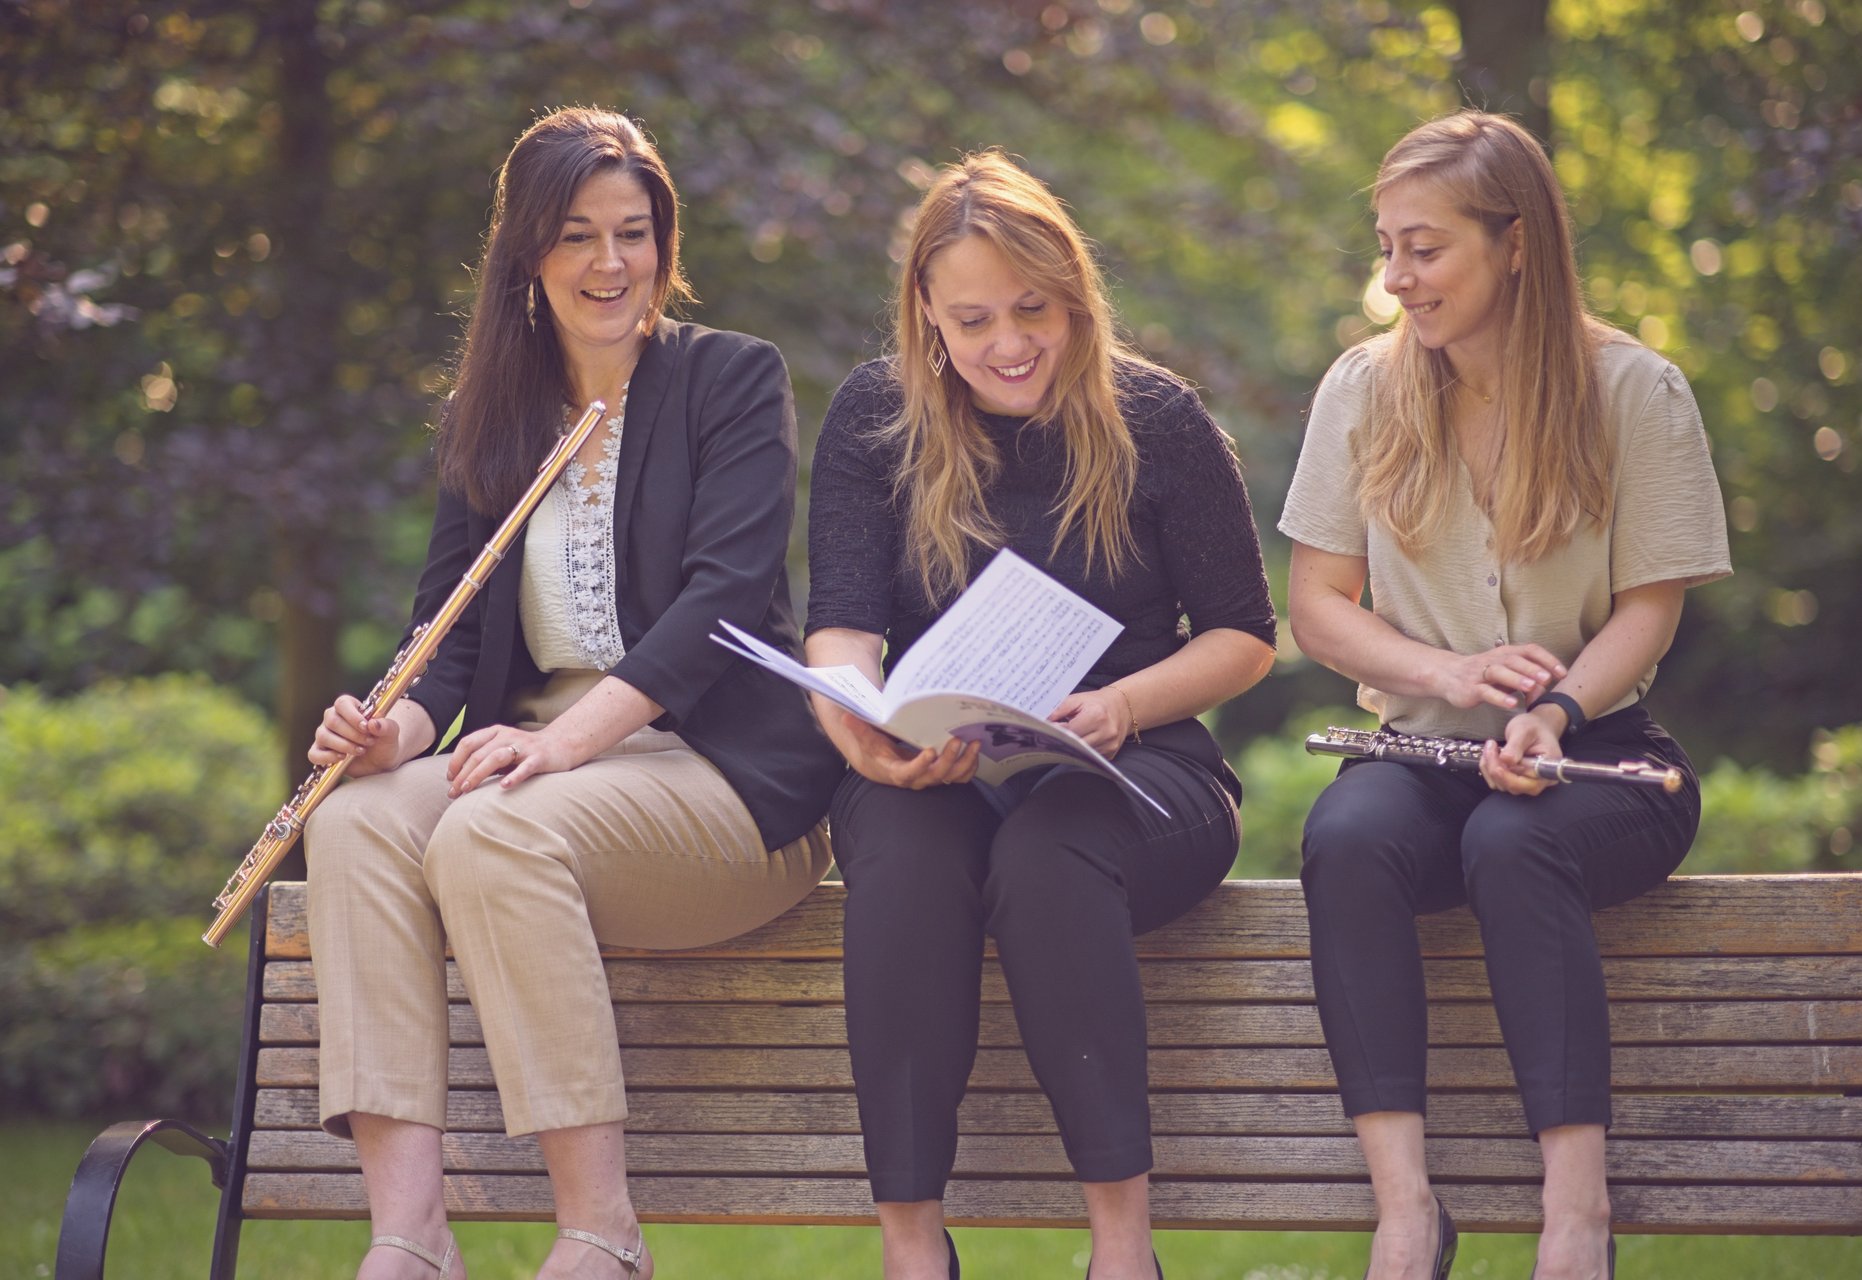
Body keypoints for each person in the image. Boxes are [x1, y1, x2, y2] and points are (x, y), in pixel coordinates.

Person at [301, 106, 843, 1280]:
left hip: (723, 782)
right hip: (533, 769)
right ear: (528, 257)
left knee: (494, 829)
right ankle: (410, 1233)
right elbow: (441, 639)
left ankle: (602, 1230)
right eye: (578, 236)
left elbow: (726, 598)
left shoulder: (730, 380)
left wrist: (566, 745)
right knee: (346, 820)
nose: (610, 265)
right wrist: (386, 727)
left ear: (662, 241)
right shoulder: (489, 418)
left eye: (634, 233)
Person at [805, 151, 1277, 1280]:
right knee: (908, 860)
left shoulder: (1157, 418)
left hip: (1139, 765)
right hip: (939, 761)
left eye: (1033, 310)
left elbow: (1245, 636)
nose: (1007, 342)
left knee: (1052, 846)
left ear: (1075, 297)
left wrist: (1118, 703)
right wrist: (860, 727)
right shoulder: (875, 416)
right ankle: (913, 1248)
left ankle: (1122, 1246)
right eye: (972, 318)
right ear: (925, 309)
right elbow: (842, 625)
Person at [1279, 110, 1731, 1280]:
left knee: (1516, 839)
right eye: (1386, 247)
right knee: (1345, 836)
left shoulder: (1636, 390)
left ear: (1515, 241)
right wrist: (1447, 673)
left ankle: (1576, 1216)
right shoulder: (1362, 389)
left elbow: (1649, 607)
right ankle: (1406, 1211)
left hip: (1601, 755)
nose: (1397, 278)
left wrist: (1556, 708)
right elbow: (1319, 603)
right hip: (1419, 748)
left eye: (1424, 248)